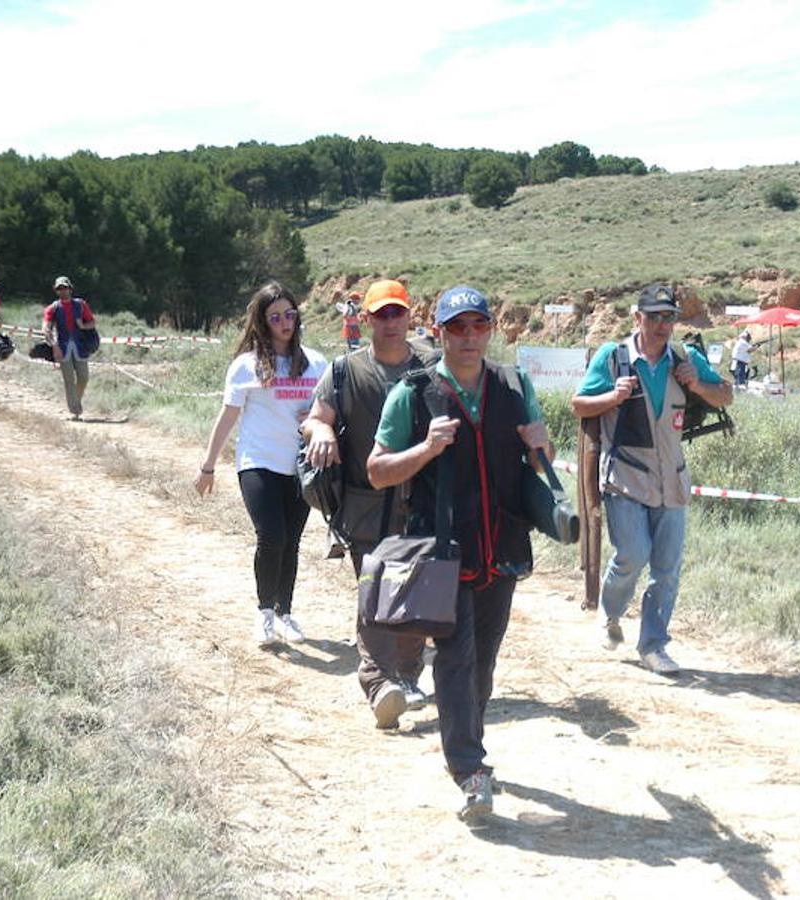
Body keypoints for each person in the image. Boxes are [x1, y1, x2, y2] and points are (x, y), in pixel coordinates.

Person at [369, 285, 551, 822]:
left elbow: (541, 464)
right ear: (439, 331)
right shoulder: (414, 393)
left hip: (504, 548)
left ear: (491, 330)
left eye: (478, 326)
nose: (469, 337)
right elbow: (377, 471)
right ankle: (470, 769)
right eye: (457, 328)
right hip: (443, 553)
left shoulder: (515, 385)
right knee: (456, 656)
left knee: (484, 659)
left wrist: (543, 445)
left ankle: (465, 736)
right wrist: (425, 449)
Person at [571, 283, 733, 675]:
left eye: (669, 317)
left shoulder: (685, 357)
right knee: (632, 555)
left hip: (672, 478)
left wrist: (698, 383)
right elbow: (579, 404)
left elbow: (725, 395)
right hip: (624, 476)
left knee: (667, 567)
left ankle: (654, 645)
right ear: (637, 317)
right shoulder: (613, 358)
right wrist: (612, 397)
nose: (662, 325)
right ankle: (610, 614)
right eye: (655, 316)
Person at [301, 279, 436, 730]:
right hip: (367, 503)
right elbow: (316, 418)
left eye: (398, 313)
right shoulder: (344, 370)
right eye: (382, 314)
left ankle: (409, 675)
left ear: (410, 316)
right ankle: (379, 684)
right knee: (376, 593)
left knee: (420, 593)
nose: (391, 322)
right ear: (366, 319)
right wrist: (319, 432)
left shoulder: (433, 367)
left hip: (426, 501)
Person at [194, 281, 327, 644]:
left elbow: (331, 411)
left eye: (289, 313)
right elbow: (228, 416)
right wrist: (208, 466)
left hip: (301, 465)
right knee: (272, 536)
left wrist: (315, 416)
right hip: (258, 462)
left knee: (292, 542)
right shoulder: (246, 365)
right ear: (263, 321)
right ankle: (264, 612)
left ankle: (285, 613)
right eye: (275, 316)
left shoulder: (317, 363)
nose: (285, 321)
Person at [43, 276, 99, 420]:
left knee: (84, 377)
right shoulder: (53, 308)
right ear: (56, 291)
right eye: (60, 288)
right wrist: (54, 346)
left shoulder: (81, 305)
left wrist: (82, 326)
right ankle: (75, 409)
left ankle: (76, 401)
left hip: (81, 347)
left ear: (70, 288)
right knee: (69, 380)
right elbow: (46, 328)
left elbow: (92, 322)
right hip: (62, 347)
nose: (63, 290)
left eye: (65, 287)